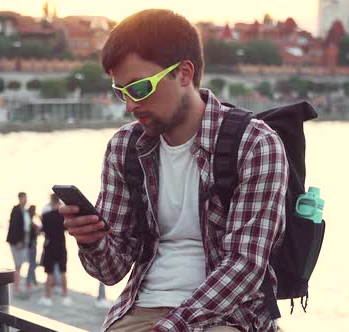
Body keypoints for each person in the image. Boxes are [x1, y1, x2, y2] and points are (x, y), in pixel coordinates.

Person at [59, 9, 288, 332]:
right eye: (120, 91)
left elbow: (245, 265)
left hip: (230, 314)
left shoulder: (255, 144)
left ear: (183, 73)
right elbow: (111, 270)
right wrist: (91, 240)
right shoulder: (124, 147)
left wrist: (172, 326)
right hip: (141, 307)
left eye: (139, 88)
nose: (129, 105)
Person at [38, 193, 72, 307]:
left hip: (49, 246)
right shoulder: (64, 216)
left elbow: (42, 231)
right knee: (63, 272)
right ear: (59, 201)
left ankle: (48, 297)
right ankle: (65, 296)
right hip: (61, 245)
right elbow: (68, 229)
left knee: (49, 273)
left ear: (51, 201)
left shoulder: (46, 216)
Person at [5, 192, 34, 298]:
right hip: (17, 241)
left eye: (26, 198)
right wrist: (17, 241)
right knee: (17, 265)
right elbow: (13, 226)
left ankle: (17, 287)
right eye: (24, 198)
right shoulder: (16, 210)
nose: (25, 200)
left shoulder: (25, 211)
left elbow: (27, 226)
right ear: (20, 198)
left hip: (25, 240)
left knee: (21, 265)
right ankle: (16, 288)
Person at [25, 204, 39, 289]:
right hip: (31, 244)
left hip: (30, 244)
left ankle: (33, 280)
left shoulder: (28, 220)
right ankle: (29, 281)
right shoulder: (30, 222)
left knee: (32, 263)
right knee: (32, 263)